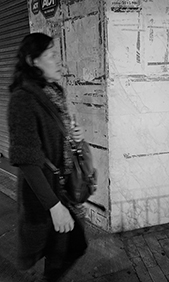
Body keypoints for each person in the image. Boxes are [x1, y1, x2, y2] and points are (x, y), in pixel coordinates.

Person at [7, 32, 88, 282]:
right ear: (33, 61)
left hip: (61, 188)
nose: (59, 61)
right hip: (46, 194)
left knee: (67, 248)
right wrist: (54, 207)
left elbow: (56, 138)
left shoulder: (53, 93)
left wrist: (74, 136)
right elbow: (27, 160)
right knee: (66, 248)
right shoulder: (23, 100)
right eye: (51, 55)